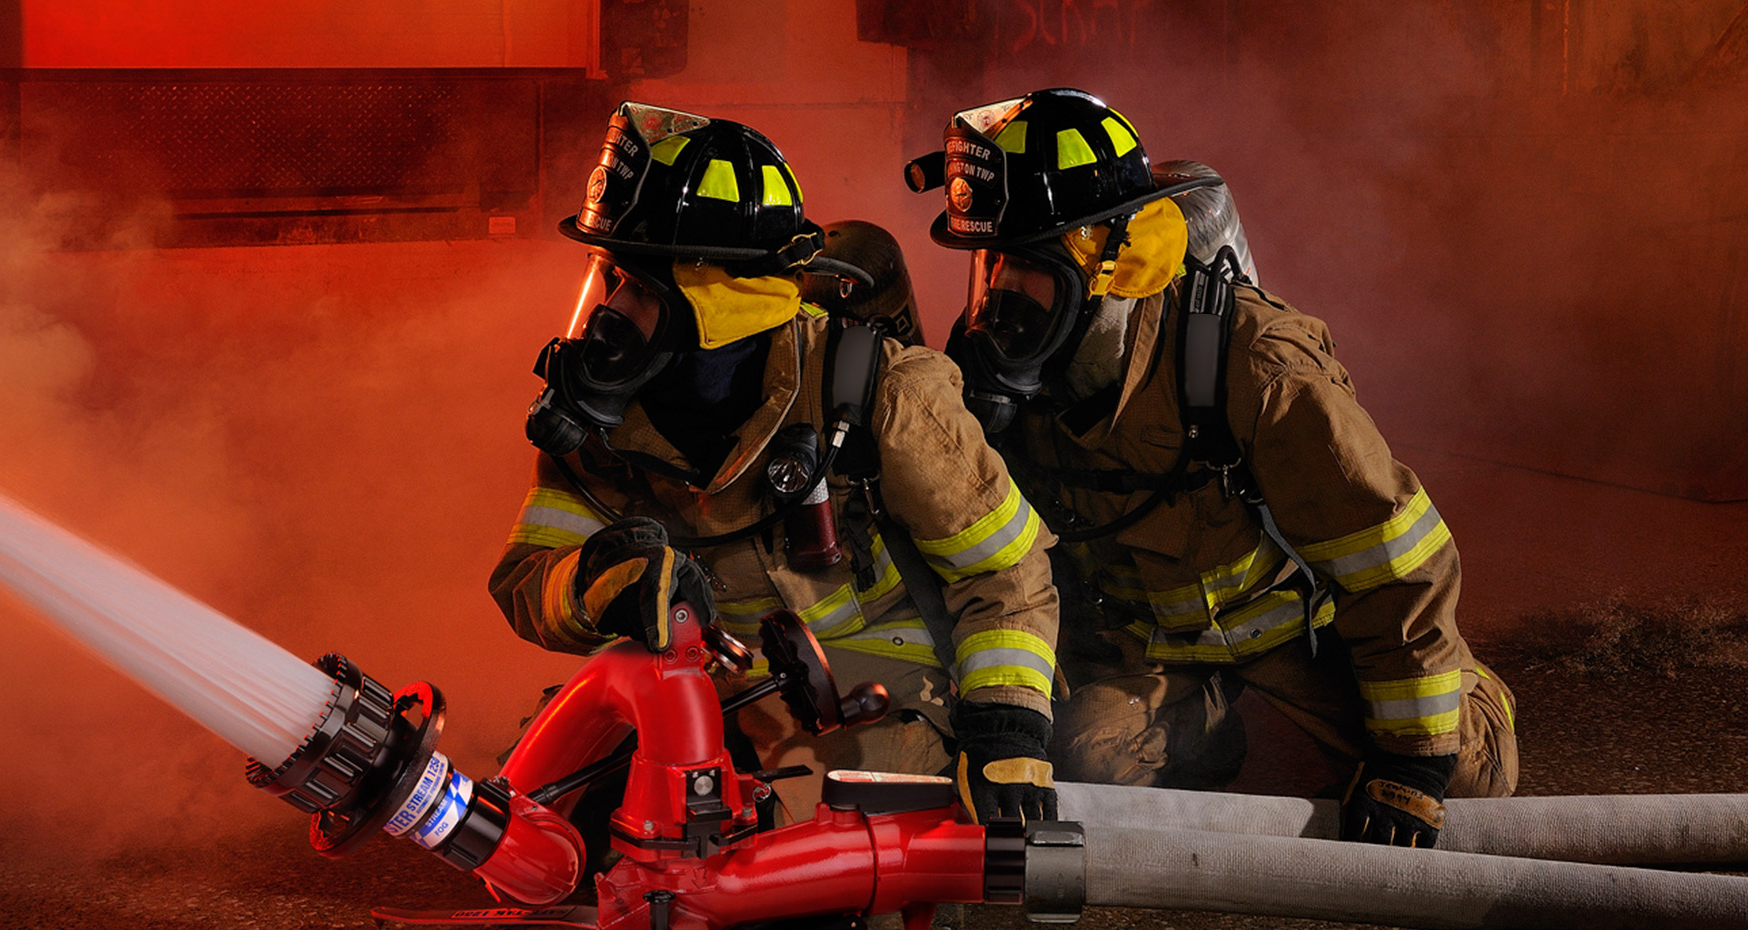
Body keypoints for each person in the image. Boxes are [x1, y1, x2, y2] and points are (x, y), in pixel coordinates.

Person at [907, 88, 1518, 847]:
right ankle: (1212, 729)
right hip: (1153, 647)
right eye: (990, 264)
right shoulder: (1016, 376)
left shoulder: (1258, 366)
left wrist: (1412, 757)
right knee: (1083, 761)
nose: (999, 299)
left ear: (1116, 264)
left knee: (1468, 779)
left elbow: (1394, 561)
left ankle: (1471, 700)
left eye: (1027, 267)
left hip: (1300, 635)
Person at [489, 102, 1061, 828]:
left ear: (714, 301)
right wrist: (596, 584)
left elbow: (1006, 574)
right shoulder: (603, 421)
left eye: (638, 286)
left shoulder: (886, 393)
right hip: (701, 684)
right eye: (611, 278)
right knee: (535, 817)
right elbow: (527, 578)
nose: (610, 314)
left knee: (790, 844)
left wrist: (1006, 731)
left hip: (874, 687)